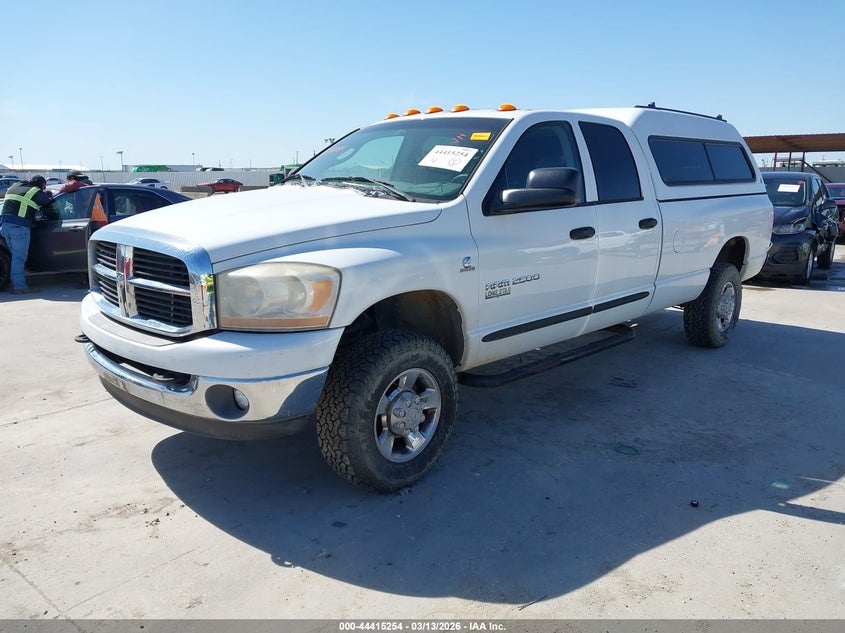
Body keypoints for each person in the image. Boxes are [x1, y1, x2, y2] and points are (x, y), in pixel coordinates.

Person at [0, 175, 53, 294]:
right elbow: (47, 201)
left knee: (15, 257)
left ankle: (13, 284)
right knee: (19, 258)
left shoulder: (16, 186)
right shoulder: (35, 192)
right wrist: (47, 193)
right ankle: (19, 287)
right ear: (42, 185)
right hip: (19, 228)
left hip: (5, 226)